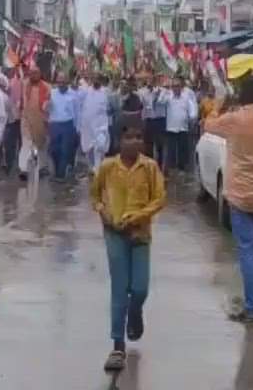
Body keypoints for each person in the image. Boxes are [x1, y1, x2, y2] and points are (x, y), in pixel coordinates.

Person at [203, 77, 253, 323]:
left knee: (249, 252)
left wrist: (217, 106)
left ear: (241, 96)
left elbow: (208, 125)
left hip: (241, 196)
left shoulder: (234, 120)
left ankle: (252, 308)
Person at [90, 123, 166, 372]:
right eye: (128, 137)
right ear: (119, 140)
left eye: (138, 137)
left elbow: (159, 199)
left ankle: (135, 314)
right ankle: (117, 345)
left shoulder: (150, 168)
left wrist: (138, 217)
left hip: (139, 234)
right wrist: (104, 213)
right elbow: (95, 196)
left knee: (140, 288)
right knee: (119, 290)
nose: (134, 142)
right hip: (115, 233)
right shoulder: (107, 167)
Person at [48, 73, 79, 181]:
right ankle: (57, 172)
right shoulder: (52, 93)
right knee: (54, 150)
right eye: (59, 82)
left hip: (68, 125)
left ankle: (60, 175)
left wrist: (77, 129)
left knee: (65, 150)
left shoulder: (73, 95)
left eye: (63, 82)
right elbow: (46, 107)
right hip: (54, 125)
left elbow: (77, 112)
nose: (61, 84)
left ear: (67, 82)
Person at [162, 77, 197, 173]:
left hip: (183, 127)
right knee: (171, 149)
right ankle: (172, 167)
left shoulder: (186, 97)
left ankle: (182, 167)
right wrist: (165, 91)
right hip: (171, 127)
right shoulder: (168, 97)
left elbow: (192, 109)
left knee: (183, 148)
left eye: (177, 86)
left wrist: (192, 118)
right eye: (174, 86)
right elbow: (160, 101)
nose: (175, 88)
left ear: (181, 87)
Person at [79, 74, 112, 171]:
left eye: (98, 79)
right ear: (92, 80)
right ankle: (92, 168)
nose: (96, 81)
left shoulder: (106, 92)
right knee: (89, 149)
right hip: (87, 126)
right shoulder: (86, 91)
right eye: (94, 78)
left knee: (100, 147)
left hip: (101, 126)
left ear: (101, 81)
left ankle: (98, 169)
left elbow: (109, 108)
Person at [22, 68, 52, 178]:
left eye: (35, 73)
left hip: (41, 119)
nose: (33, 75)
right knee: (26, 143)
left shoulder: (47, 87)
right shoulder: (25, 85)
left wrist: (47, 119)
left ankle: (42, 167)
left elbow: (49, 105)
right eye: (31, 73)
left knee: (42, 145)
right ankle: (23, 169)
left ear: (40, 74)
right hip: (27, 118)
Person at [140, 76, 166, 160]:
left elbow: (162, 102)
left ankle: (160, 163)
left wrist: (156, 95)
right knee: (148, 143)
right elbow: (142, 105)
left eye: (151, 80)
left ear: (155, 81)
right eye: (148, 80)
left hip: (159, 120)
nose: (149, 82)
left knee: (160, 144)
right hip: (149, 120)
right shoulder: (142, 92)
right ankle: (149, 161)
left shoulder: (162, 91)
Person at [2, 67, 22, 176]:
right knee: (10, 144)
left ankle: (20, 166)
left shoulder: (24, 83)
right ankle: (10, 165)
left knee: (21, 144)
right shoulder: (10, 83)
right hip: (11, 119)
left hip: (22, 118)